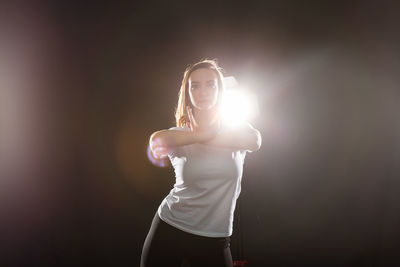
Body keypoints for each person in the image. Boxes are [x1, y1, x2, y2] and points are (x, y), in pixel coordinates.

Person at [140, 59, 261, 267]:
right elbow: (155, 142)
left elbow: (255, 141)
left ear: (219, 90)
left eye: (210, 84)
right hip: (171, 228)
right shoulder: (179, 135)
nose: (202, 91)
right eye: (194, 86)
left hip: (215, 238)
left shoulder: (238, 132)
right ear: (188, 93)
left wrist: (202, 135)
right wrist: (201, 135)